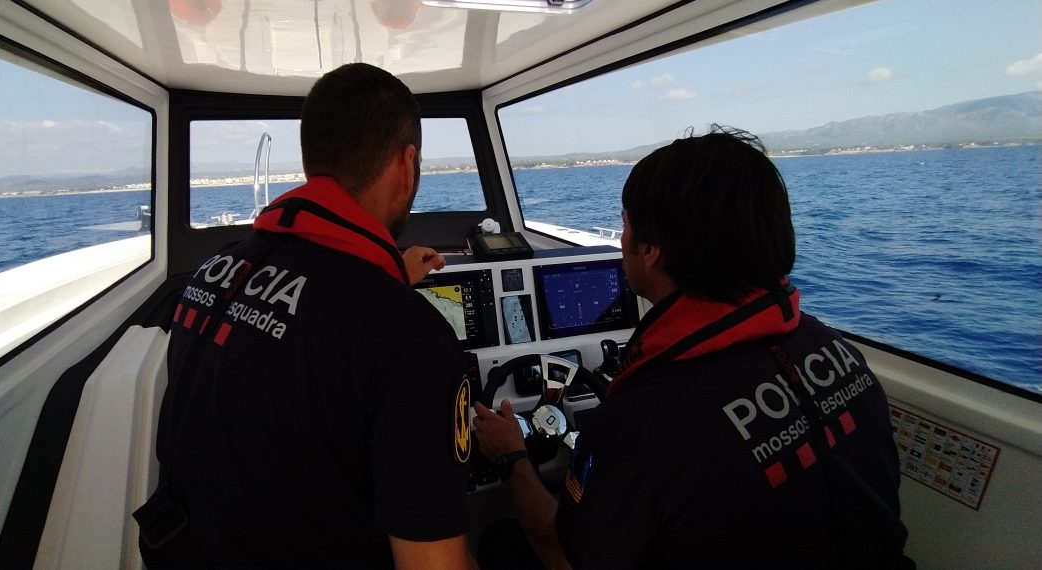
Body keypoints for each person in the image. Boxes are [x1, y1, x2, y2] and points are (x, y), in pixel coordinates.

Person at [473, 126, 910, 568]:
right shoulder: (835, 349)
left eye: (625, 226)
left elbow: (562, 555)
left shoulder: (642, 421)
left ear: (650, 250)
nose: (621, 241)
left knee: (501, 541)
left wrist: (512, 455)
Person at [137, 63, 475, 568]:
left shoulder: (217, 271)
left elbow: (298, 319)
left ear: (312, 157)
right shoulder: (408, 338)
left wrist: (384, 283)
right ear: (407, 166)